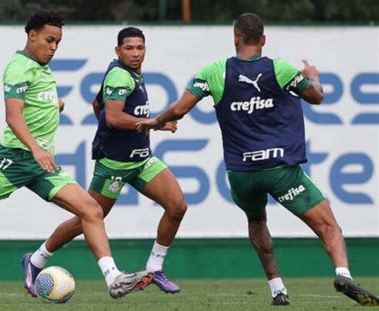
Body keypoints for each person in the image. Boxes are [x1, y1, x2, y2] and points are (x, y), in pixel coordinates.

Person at [0, 10, 154, 300]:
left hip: (41, 164)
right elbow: (13, 116)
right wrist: (35, 148)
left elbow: (34, 104)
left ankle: (113, 278)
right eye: (49, 40)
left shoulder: (41, 68)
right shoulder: (18, 67)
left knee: (92, 210)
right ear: (31, 34)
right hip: (14, 159)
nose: (53, 47)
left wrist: (53, 107)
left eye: (58, 42)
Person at [136, 13, 379, 307]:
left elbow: (179, 109)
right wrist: (313, 76)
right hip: (280, 170)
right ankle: (342, 273)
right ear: (263, 40)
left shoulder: (214, 70)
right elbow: (316, 97)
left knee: (256, 219)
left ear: (235, 39)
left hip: (241, 174)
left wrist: (156, 122)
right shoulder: (281, 69)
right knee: (329, 227)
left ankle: (277, 287)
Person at [21, 26, 187, 296]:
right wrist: (154, 123)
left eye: (140, 47)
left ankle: (155, 267)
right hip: (115, 166)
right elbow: (112, 117)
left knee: (177, 206)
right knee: (85, 218)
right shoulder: (120, 75)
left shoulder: (132, 74)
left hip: (142, 160)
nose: (135, 53)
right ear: (118, 51)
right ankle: (37, 259)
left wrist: (140, 127)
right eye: (129, 48)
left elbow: (98, 104)